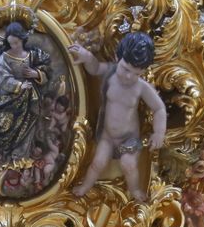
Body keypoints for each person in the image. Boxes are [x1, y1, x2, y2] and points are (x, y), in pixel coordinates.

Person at [71, 32, 167, 201]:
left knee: (128, 165)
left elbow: (159, 108)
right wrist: (87, 57)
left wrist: (159, 133)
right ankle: (85, 186)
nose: (129, 77)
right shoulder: (110, 73)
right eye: (125, 69)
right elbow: (95, 68)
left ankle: (135, 190)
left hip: (129, 139)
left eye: (136, 73)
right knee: (97, 163)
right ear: (118, 58)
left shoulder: (140, 87)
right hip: (107, 136)